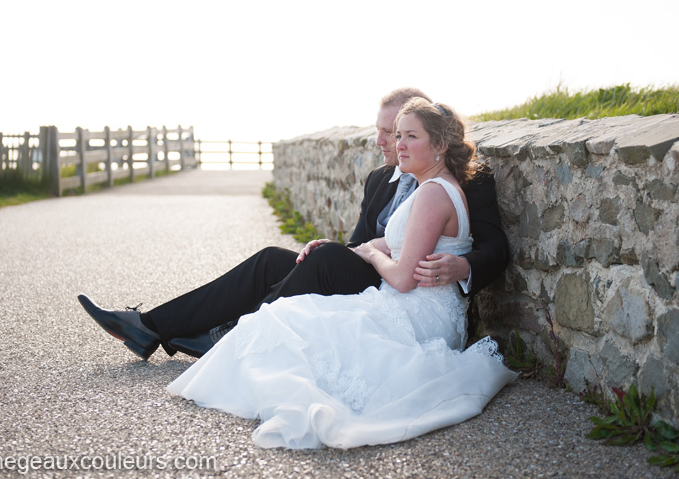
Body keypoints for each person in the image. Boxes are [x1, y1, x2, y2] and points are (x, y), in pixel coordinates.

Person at [167, 97, 517, 449]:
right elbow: (394, 242)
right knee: (284, 273)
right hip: (413, 300)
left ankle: (234, 340)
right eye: (397, 136)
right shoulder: (427, 185)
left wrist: (373, 255)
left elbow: (401, 276)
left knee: (299, 321)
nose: (397, 145)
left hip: (418, 311)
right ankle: (160, 327)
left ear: (440, 144)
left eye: (409, 136)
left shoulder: (435, 192)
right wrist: (352, 249)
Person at [77, 87, 510, 360]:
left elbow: (495, 246)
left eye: (398, 132)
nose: (386, 142)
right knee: (270, 260)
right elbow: (361, 242)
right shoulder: (380, 178)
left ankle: (233, 333)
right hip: (369, 273)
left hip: (408, 291)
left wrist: (464, 267)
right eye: (385, 132)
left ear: (434, 139)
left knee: (322, 263)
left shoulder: (467, 180)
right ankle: (148, 327)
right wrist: (330, 245)